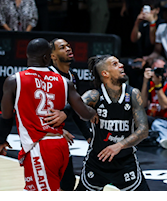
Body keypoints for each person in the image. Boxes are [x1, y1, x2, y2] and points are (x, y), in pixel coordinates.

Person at [0, 38, 96, 191]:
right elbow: (85, 113)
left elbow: (6, 117)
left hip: (40, 147)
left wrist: (1, 139)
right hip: (60, 144)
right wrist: (95, 103)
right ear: (48, 57)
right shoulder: (64, 82)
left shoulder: (14, 80)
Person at [75, 55, 150, 191]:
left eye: (119, 62)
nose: (121, 65)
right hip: (97, 163)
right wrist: (88, 113)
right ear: (105, 73)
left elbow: (144, 130)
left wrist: (119, 145)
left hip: (125, 161)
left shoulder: (133, 94)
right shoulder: (94, 95)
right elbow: (74, 108)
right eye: (115, 64)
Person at [49, 38, 92, 191]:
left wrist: (88, 135)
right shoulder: (48, 77)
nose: (68, 48)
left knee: (68, 182)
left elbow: (75, 109)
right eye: (62, 47)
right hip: (45, 136)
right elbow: (38, 111)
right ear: (53, 56)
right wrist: (57, 130)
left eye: (68, 46)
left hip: (59, 135)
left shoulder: (72, 76)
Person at [140, 56, 167, 129]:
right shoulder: (151, 82)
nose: (159, 73)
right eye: (156, 70)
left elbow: (165, 105)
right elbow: (143, 104)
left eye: (161, 70)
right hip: (152, 116)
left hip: (166, 121)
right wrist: (145, 82)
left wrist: (158, 85)